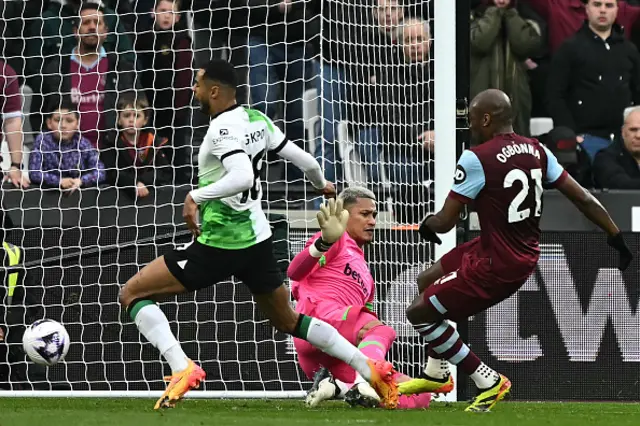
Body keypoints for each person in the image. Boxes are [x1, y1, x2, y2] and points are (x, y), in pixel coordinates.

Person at [117, 59, 398, 410]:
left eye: (198, 83)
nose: (194, 89)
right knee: (288, 320)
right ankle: (367, 367)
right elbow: (307, 160)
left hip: (220, 244)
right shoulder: (257, 119)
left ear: (214, 91)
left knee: (132, 293)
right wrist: (322, 185)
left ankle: (181, 366)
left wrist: (194, 197)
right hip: (259, 241)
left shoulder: (221, 132)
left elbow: (242, 177)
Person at [399, 88, 633, 413]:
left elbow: (444, 223)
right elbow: (582, 197)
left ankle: (487, 380)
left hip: (497, 264)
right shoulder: (538, 150)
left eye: (471, 121)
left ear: (486, 118)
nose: (470, 127)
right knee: (427, 280)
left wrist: (427, 223)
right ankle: (437, 372)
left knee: (418, 313)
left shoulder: (476, 157)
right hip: (504, 250)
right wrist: (614, 234)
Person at [288, 186, 434, 410]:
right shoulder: (335, 241)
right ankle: (360, 382)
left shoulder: (366, 276)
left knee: (417, 395)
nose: (373, 221)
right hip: (315, 323)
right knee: (382, 330)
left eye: (374, 215)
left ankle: (337, 386)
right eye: (365, 214)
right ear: (344, 216)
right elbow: (294, 272)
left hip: (331, 355)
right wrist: (324, 242)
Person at [29, 97, 105, 191]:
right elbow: (34, 173)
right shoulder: (41, 141)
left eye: (69, 121)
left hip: (79, 195)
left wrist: (81, 181)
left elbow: (100, 171)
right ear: (49, 123)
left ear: (77, 124)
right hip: (48, 196)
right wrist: (59, 181)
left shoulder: (83, 143)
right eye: (58, 120)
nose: (63, 126)